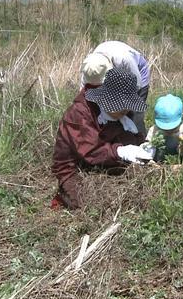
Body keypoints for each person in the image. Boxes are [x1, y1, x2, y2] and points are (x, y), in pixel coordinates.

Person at [51, 68, 152, 209]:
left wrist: (143, 147)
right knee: (88, 205)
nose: (125, 110)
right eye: (120, 106)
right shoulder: (79, 113)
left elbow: (128, 138)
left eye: (127, 106)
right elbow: (90, 150)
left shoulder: (119, 114)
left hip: (107, 160)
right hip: (76, 166)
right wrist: (121, 151)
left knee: (140, 188)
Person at [80, 41, 151, 134]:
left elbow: (136, 85)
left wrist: (122, 109)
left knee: (134, 115)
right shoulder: (90, 67)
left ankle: (140, 141)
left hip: (139, 73)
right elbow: (83, 94)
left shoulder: (124, 60)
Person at [143, 94, 183, 161]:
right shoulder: (154, 130)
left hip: (182, 160)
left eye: (172, 128)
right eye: (164, 128)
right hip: (160, 160)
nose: (169, 131)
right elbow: (147, 147)